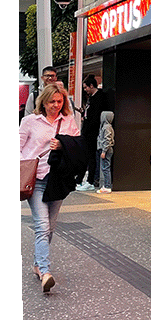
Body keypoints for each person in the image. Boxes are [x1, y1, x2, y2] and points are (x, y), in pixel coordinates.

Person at [20, 82, 81, 293]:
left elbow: (77, 147)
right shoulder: (29, 121)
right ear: (43, 102)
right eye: (51, 101)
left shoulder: (69, 121)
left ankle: (37, 264)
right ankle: (46, 272)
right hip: (36, 179)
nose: (56, 105)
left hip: (58, 179)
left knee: (51, 228)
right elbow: (16, 149)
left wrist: (63, 144)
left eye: (59, 101)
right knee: (42, 226)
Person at [76, 74, 107, 190]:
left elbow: (95, 117)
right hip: (88, 132)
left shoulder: (99, 98)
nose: (85, 90)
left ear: (91, 85)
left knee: (90, 157)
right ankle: (81, 180)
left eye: (86, 87)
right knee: (87, 156)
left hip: (92, 133)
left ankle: (89, 180)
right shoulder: (91, 98)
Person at [96, 110, 114, 193]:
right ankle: (106, 185)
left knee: (105, 168)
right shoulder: (107, 126)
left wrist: (104, 151)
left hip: (106, 150)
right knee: (105, 167)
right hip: (106, 149)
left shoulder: (106, 127)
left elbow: (107, 139)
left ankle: (107, 186)